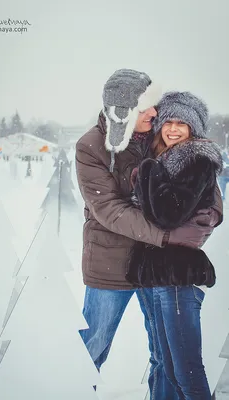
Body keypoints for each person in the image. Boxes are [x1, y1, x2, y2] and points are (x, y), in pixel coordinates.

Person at [75, 69, 223, 399]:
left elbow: (205, 197)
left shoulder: (159, 141)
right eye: (146, 109)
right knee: (92, 347)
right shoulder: (92, 146)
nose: (155, 115)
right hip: (110, 262)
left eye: (154, 107)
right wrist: (167, 237)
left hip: (154, 267)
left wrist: (203, 222)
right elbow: (108, 208)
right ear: (125, 112)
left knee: (164, 354)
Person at [127, 91, 223, 399]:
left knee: (187, 371)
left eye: (182, 123)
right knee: (169, 368)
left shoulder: (197, 159)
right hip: (158, 276)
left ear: (193, 128)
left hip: (178, 279)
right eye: (168, 121)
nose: (173, 129)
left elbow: (168, 213)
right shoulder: (163, 158)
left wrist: (146, 173)